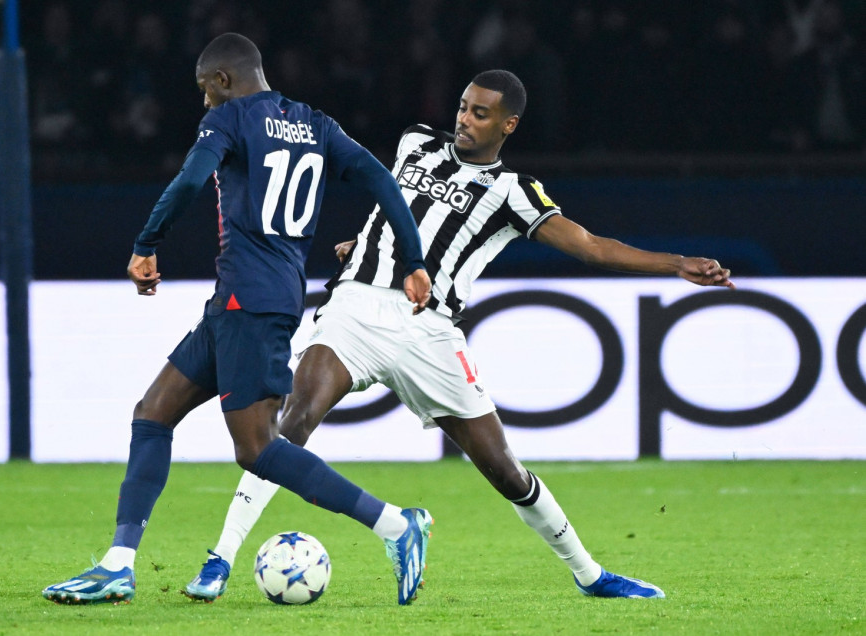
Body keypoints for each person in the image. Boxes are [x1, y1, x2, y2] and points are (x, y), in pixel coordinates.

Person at [183, 69, 735, 602]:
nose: (465, 119)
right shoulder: (415, 143)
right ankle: (220, 559)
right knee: (291, 421)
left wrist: (677, 263)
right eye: (463, 107)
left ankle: (590, 574)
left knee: (505, 470)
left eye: (480, 113)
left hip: (430, 334)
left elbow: (590, 245)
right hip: (355, 309)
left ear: (508, 125)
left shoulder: (514, 191)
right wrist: (366, 243)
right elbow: (392, 206)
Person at [42, 33, 434, 606]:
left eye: (206, 90)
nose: (204, 103)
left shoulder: (228, 121)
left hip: (251, 305)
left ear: (224, 80)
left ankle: (397, 526)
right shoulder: (317, 124)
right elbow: (380, 177)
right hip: (242, 301)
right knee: (152, 414)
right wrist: (414, 259)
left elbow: (191, 180)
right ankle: (118, 564)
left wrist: (147, 243)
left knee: (257, 449)